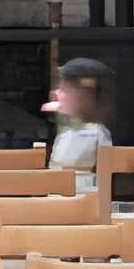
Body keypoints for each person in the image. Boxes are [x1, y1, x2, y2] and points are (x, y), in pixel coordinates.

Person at [43, 57, 115, 192]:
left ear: (83, 96)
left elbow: (66, 172)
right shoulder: (71, 130)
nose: (55, 94)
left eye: (63, 89)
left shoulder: (93, 133)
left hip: (77, 204)